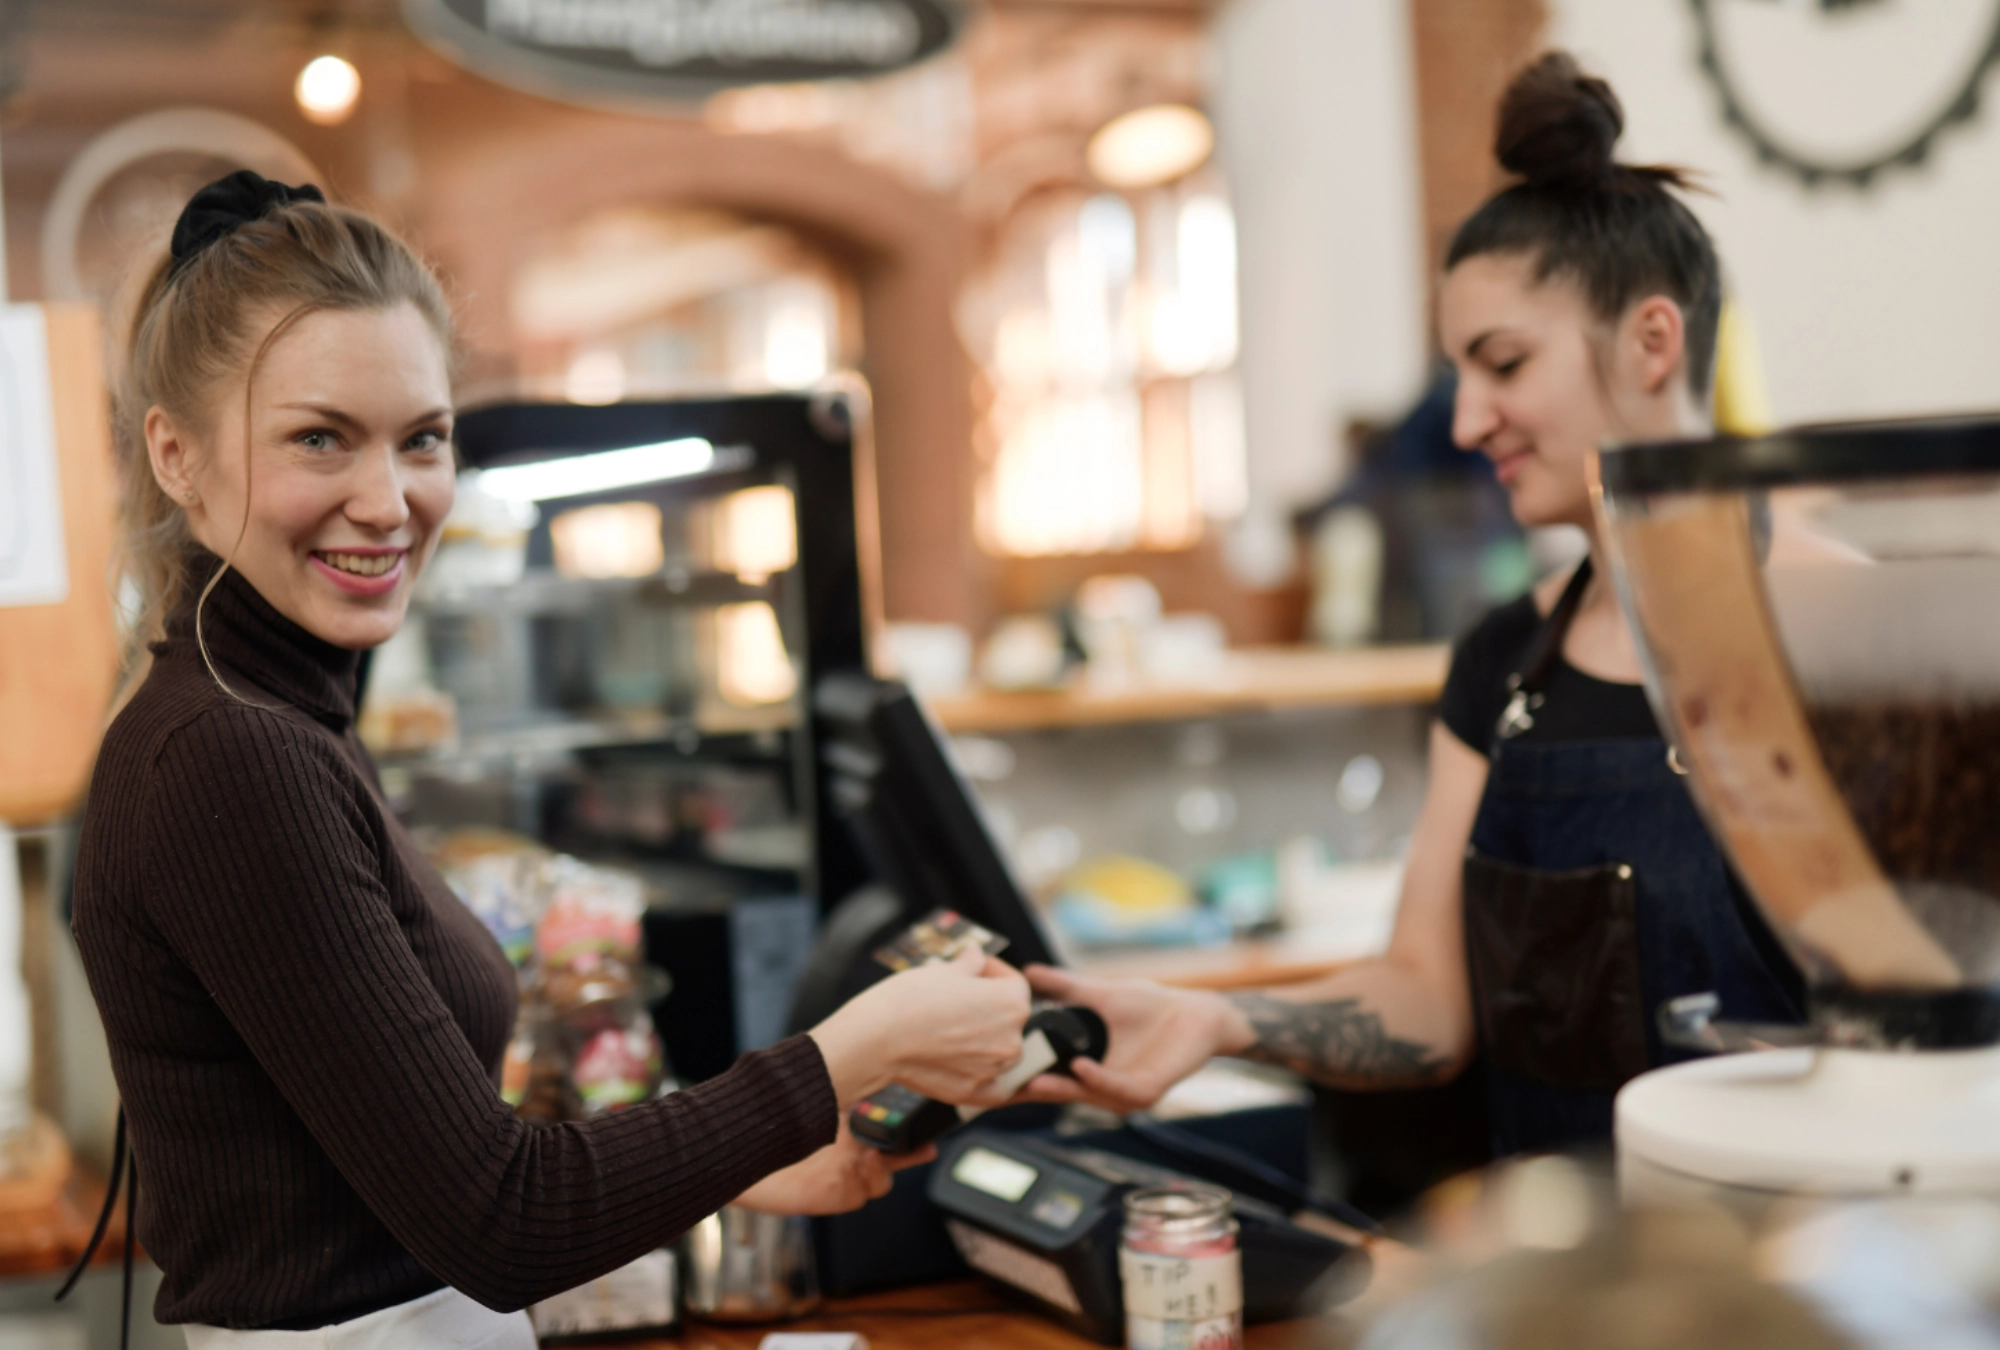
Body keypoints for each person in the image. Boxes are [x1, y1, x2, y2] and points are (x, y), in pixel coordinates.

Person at [69, 172, 1032, 1345]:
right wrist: (865, 1042)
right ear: (174, 454)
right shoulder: (230, 757)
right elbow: (502, 1216)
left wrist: (734, 1166)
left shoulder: (276, 715)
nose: (388, 500)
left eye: (422, 440)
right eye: (321, 439)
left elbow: (400, 1152)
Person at [1024, 53, 1803, 1158]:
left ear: (1649, 341)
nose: (1464, 420)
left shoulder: (1846, 635)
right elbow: (1425, 1005)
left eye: (1501, 363)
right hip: (1558, 1291)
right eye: (1459, 372)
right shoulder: (1501, 662)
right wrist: (1218, 1019)